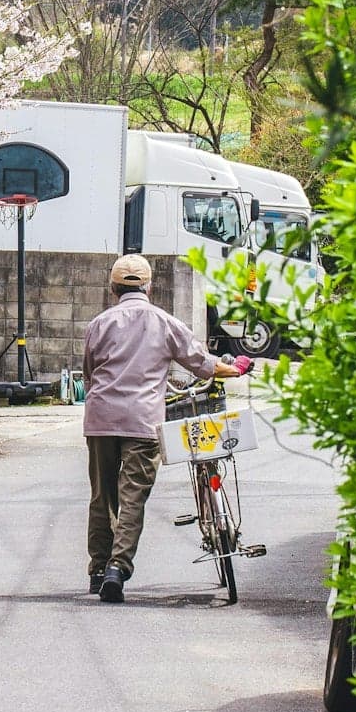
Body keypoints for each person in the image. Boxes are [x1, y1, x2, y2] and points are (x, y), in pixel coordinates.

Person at [82, 252, 251, 604]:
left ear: (113, 288)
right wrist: (234, 369)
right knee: (132, 497)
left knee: (103, 495)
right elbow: (202, 364)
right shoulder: (163, 322)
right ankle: (118, 568)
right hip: (142, 421)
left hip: (100, 419)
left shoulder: (99, 324)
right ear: (149, 286)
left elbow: (89, 372)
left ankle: (99, 570)